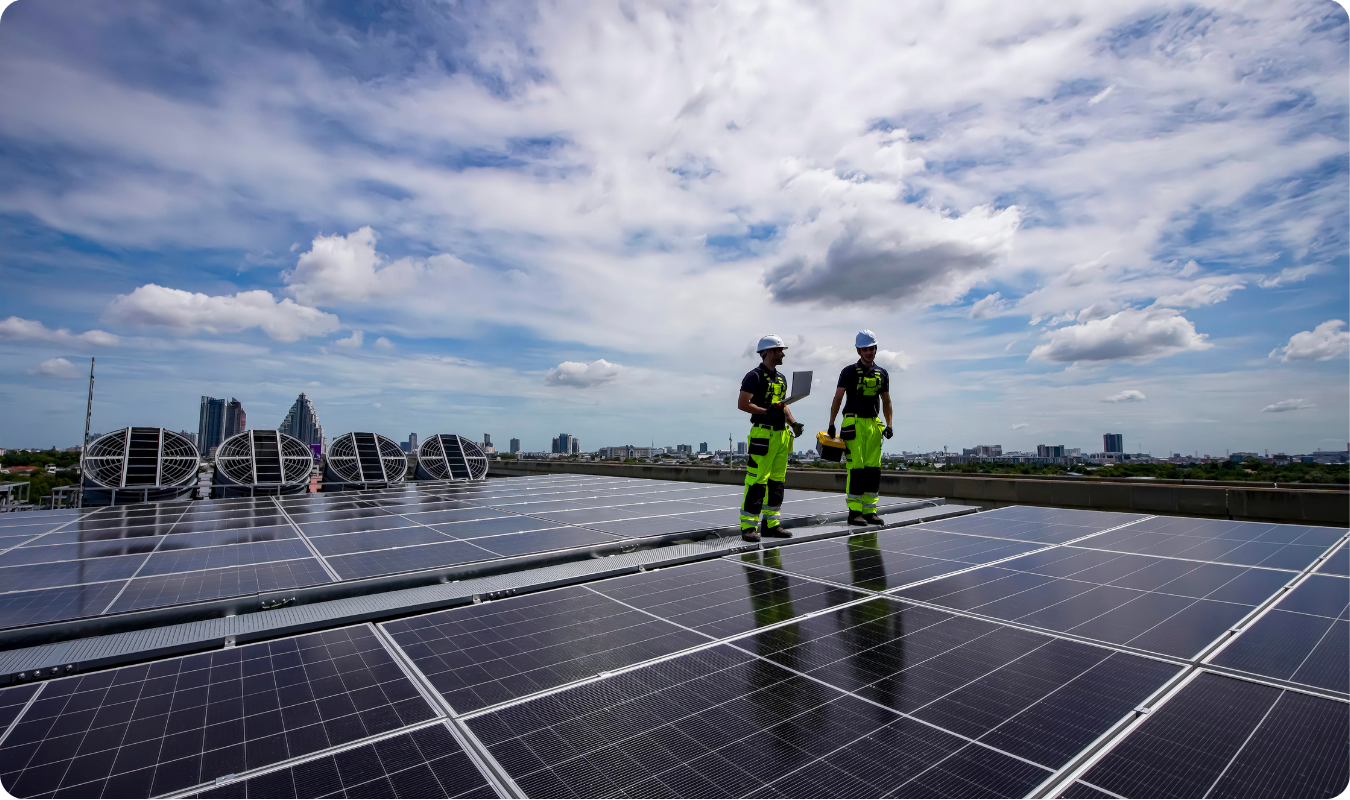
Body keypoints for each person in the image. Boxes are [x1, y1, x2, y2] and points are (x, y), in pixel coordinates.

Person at [737, 334, 805, 542]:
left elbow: (783, 405)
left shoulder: (781, 378)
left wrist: (793, 423)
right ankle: (749, 527)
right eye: (779, 350)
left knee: (776, 482)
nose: (783, 354)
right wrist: (765, 411)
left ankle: (771, 525)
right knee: (757, 481)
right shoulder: (754, 376)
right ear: (768, 352)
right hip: (763, 433)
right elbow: (742, 403)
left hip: (781, 435)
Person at [827, 330, 893, 526]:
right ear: (858, 350)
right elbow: (838, 398)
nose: (869, 352)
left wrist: (889, 424)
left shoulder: (882, 373)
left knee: (873, 469)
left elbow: (887, 401)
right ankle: (854, 511)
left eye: (872, 349)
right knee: (856, 468)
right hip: (853, 424)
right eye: (865, 349)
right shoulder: (848, 372)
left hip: (873, 424)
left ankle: (870, 510)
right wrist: (831, 424)